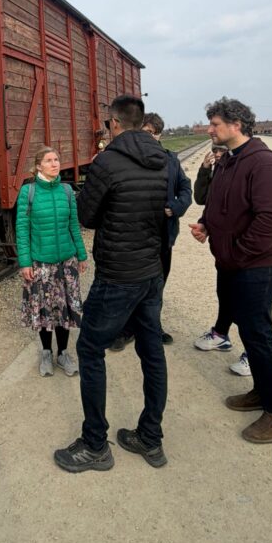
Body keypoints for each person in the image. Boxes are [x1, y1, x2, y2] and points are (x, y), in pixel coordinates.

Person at [54, 95, 169, 473]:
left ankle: (94, 445)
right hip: (151, 270)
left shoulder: (107, 161)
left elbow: (88, 215)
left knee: (89, 349)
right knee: (152, 351)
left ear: (114, 124)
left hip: (118, 272)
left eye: (107, 124)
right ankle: (150, 437)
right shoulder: (161, 159)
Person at [189, 97, 272, 444]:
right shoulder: (228, 161)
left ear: (237, 125)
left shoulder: (263, 164)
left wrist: (236, 254)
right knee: (250, 334)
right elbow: (219, 203)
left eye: (215, 124)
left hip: (259, 264)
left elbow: (270, 221)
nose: (210, 130)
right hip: (236, 263)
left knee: (259, 335)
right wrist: (207, 224)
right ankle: (261, 393)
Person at [109, 112, 191, 347]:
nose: (146, 138)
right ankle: (125, 329)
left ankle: (152, 327)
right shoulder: (125, 159)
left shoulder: (170, 159)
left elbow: (185, 189)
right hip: (133, 236)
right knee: (130, 285)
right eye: (143, 132)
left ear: (159, 136)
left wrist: (176, 206)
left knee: (157, 285)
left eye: (150, 134)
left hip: (162, 234)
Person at [16, 146, 88, 377]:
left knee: (64, 310)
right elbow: (22, 231)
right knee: (45, 311)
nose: (55, 164)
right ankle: (46, 352)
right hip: (41, 264)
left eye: (56, 159)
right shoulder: (28, 192)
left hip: (66, 263)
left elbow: (73, 225)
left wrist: (82, 255)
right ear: (39, 166)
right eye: (49, 160)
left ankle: (63, 353)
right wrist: (25, 262)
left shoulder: (66, 191)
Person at [192, 144, 252, 377]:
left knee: (249, 305)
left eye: (221, 150)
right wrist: (205, 171)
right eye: (214, 150)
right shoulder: (220, 169)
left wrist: (242, 249)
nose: (216, 153)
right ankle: (221, 335)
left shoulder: (243, 168)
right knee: (225, 294)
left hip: (243, 252)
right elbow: (202, 198)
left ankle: (252, 353)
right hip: (224, 250)